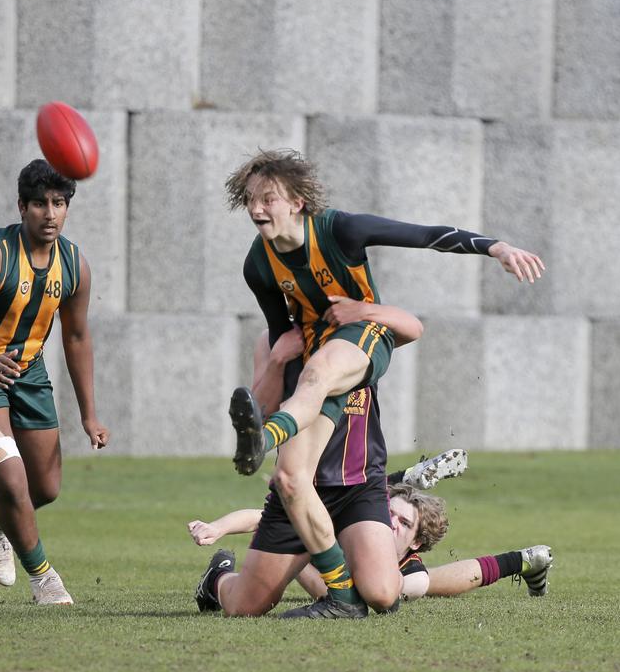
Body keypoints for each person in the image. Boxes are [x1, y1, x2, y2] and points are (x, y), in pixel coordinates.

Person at [224, 148, 544, 616]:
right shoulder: (259, 265)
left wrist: (495, 246)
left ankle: (266, 439)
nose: (255, 209)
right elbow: (277, 357)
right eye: (250, 199)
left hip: (360, 336)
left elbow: (425, 237)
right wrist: (276, 359)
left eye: (267, 198)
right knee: (287, 488)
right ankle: (226, 579)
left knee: (318, 374)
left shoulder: (339, 230)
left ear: (297, 201)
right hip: (315, 359)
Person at [194, 299, 463, 618]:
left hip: (360, 486)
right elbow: (261, 412)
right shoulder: (272, 339)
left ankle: (341, 596)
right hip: (301, 489)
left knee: (382, 594)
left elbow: (413, 327)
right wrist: (279, 359)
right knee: (244, 606)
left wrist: (360, 312)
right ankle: (217, 579)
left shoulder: (364, 331)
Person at [0, 159, 109, 605]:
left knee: (42, 489)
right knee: (11, 480)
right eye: (39, 204)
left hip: (27, 372)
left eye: (59, 203)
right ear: (21, 207)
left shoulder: (74, 265)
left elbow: (77, 337)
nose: (50, 213)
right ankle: (45, 579)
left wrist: (89, 415)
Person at [189, 482, 553, 605]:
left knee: (431, 585)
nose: (391, 522)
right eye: (389, 513)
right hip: (307, 556)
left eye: (404, 523)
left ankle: (525, 560)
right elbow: (262, 516)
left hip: (318, 565)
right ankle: (216, 578)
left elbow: (329, 593)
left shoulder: (410, 574)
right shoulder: (351, 529)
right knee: (248, 600)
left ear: (416, 543)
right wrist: (216, 528)